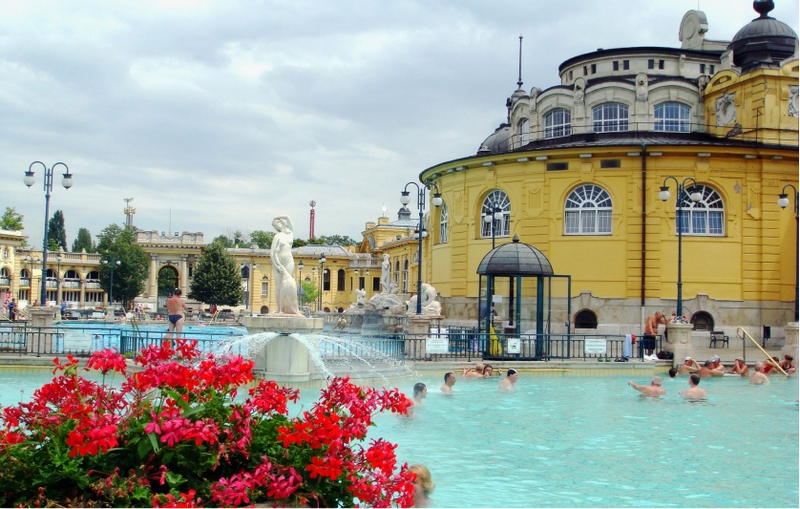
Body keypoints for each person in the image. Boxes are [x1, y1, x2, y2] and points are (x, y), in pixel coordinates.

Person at [270, 215, 301, 315]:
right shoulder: (277, 236)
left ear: (281, 222)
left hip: (289, 261)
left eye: (277, 223)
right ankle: (279, 308)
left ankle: (289, 307)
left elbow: (288, 218)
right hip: (278, 262)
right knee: (278, 285)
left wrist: (277, 217)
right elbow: (272, 253)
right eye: (275, 226)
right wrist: (276, 264)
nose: (277, 226)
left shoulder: (290, 233)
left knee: (287, 283)